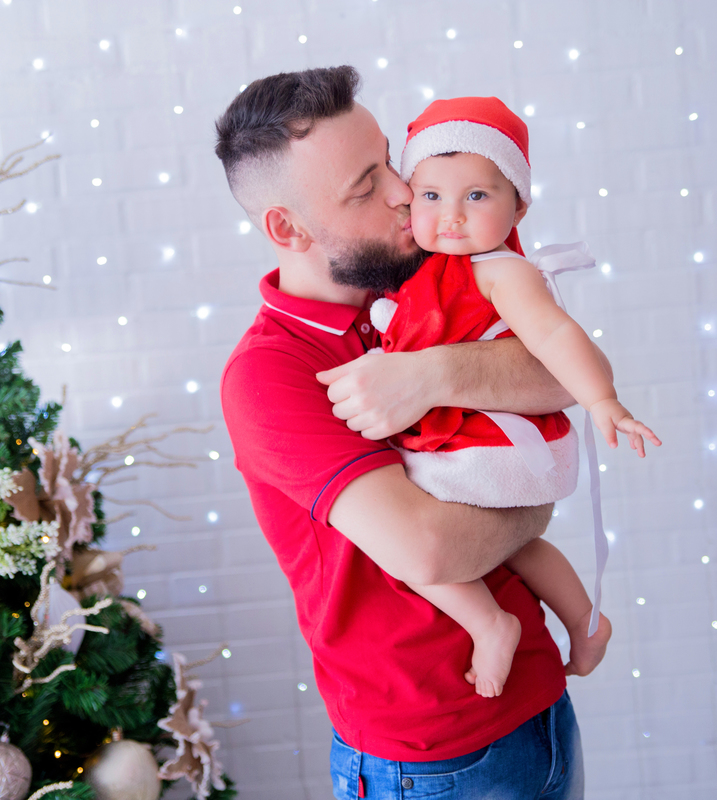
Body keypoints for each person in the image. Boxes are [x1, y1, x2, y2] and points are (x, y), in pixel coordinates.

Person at [217, 67, 600, 799]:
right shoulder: (268, 376)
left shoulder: (426, 271)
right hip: (429, 755)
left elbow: (567, 376)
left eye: (390, 159)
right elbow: (429, 546)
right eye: (365, 186)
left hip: (540, 704)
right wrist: (541, 497)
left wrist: (434, 376)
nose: (404, 191)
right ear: (286, 228)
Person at [368, 96, 660, 700]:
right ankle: (585, 621)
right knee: (523, 545)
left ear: (519, 204)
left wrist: (604, 401)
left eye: (476, 196)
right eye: (431, 196)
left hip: (480, 445)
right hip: (471, 439)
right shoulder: (422, 269)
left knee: (398, 541)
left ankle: (488, 623)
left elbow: (554, 334)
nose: (451, 215)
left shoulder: (501, 270)